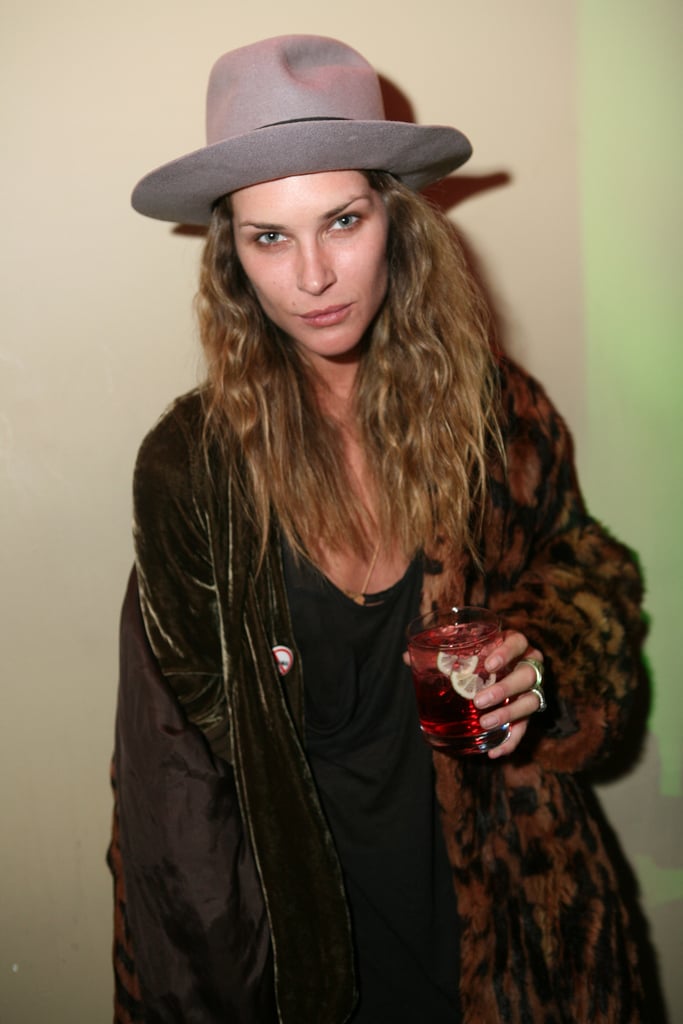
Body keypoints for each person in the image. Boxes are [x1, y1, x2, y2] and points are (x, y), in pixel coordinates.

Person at [109, 34, 649, 1024]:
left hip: (510, 932)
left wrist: (547, 656)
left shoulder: (490, 412)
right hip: (307, 954)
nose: (313, 275)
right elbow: (176, 798)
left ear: (396, 221)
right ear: (230, 259)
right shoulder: (193, 473)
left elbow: (587, 566)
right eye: (269, 238)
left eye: (342, 220)